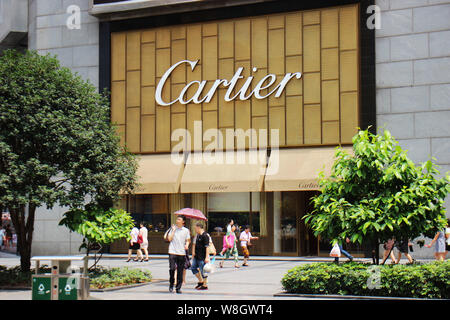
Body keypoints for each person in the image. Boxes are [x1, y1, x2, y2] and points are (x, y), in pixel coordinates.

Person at [166, 215, 191, 294]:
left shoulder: (186, 230)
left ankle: (178, 287)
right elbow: (169, 239)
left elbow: (188, 240)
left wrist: (187, 245)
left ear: (183, 221)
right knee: (172, 269)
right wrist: (173, 230)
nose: (177, 220)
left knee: (180, 270)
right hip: (172, 251)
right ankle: (171, 284)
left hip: (181, 252)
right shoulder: (172, 229)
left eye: (179, 219)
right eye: (177, 219)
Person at [191, 222, 211, 290]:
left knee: (203, 271)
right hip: (197, 256)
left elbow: (207, 247)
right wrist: (193, 253)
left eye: (195, 228)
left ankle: (205, 285)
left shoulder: (205, 236)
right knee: (193, 268)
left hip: (202, 257)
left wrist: (207, 257)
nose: (195, 230)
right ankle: (201, 281)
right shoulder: (198, 235)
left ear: (199, 227)